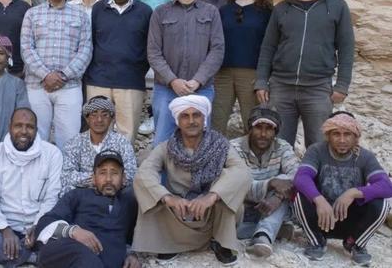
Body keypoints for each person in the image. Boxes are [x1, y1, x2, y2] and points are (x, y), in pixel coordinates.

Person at [132, 95, 251, 265]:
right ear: (178, 121)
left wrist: (212, 196)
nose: (191, 121)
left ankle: (220, 242)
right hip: (180, 211)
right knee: (150, 194)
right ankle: (169, 245)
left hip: (211, 211)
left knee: (229, 189)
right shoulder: (166, 148)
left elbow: (241, 171)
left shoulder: (220, 145)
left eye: (196, 115)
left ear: (204, 119)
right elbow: (144, 174)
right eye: (185, 116)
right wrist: (168, 198)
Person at [255, 0, 355, 148]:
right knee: (278, 146)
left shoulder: (337, 7)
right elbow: (268, 47)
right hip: (281, 88)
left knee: (318, 146)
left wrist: (342, 85)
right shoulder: (281, 9)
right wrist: (261, 81)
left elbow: (346, 47)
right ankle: (282, 179)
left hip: (317, 89)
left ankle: (312, 179)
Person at [0, 108, 63, 267]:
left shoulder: (52, 154)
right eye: (18, 126)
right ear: (10, 127)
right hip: (1, 230)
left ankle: (1, 258)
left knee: (63, 238)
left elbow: (52, 198)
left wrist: (37, 226)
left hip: (39, 229)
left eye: (29, 127)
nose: (23, 131)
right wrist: (5, 230)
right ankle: (31, 259)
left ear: (36, 129)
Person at [293, 111, 392, 265]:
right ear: (328, 135)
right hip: (322, 218)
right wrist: (318, 200)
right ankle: (317, 241)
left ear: (356, 137)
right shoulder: (317, 150)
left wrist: (353, 193)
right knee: (299, 194)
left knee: (383, 202)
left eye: (347, 134)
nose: (342, 140)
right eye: (336, 134)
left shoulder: (365, 157)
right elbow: (301, 177)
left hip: (349, 219)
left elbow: (386, 186)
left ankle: (355, 244)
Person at [147, 0, 224, 146]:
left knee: (199, 143)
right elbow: (153, 52)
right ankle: (163, 176)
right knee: (162, 143)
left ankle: (197, 176)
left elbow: (217, 50)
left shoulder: (211, 12)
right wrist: (173, 81)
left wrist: (197, 80)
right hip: (166, 89)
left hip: (201, 88)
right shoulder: (160, 13)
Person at [21, 0, 92, 149]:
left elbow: (85, 50)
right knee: (36, 138)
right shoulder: (32, 14)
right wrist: (46, 75)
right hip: (37, 86)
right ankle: (38, 178)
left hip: (69, 86)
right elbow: (26, 48)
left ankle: (65, 177)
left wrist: (62, 76)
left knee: (69, 140)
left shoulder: (80, 15)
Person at [35, 149, 140, 268]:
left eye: (114, 173)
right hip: (68, 252)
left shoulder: (129, 203)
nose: (108, 179)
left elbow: (134, 238)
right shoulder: (78, 195)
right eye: (102, 173)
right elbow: (45, 223)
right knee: (85, 258)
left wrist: (133, 254)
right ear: (94, 178)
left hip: (100, 262)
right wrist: (73, 231)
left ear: (124, 178)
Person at [84, 0, 152, 144]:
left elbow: (150, 48)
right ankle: (96, 172)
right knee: (97, 133)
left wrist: (137, 71)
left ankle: (124, 172)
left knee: (127, 135)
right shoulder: (98, 9)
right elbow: (90, 42)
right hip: (98, 81)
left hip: (130, 82)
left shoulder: (145, 12)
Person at [212, 0, 273, 135]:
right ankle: (214, 159)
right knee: (216, 120)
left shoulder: (267, 11)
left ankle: (252, 161)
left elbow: (270, 47)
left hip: (252, 74)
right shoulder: (224, 10)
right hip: (222, 74)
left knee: (252, 122)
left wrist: (265, 78)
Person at [230, 105, 299, 257]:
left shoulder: (282, 147)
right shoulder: (233, 147)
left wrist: (278, 196)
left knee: (285, 181)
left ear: (275, 132)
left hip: (271, 206)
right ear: (250, 128)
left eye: (269, 128)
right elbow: (235, 185)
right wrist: (270, 183)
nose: (263, 134)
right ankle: (276, 229)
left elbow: (297, 174)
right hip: (242, 206)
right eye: (258, 127)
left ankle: (263, 236)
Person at [61, 96, 137, 194]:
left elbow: (131, 174)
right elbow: (66, 175)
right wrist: (95, 179)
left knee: (131, 192)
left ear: (112, 119)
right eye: (94, 115)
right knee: (66, 191)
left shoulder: (122, 142)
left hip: (114, 192)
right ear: (87, 119)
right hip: (84, 192)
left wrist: (105, 180)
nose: (99, 119)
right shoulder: (74, 143)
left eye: (105, 115)